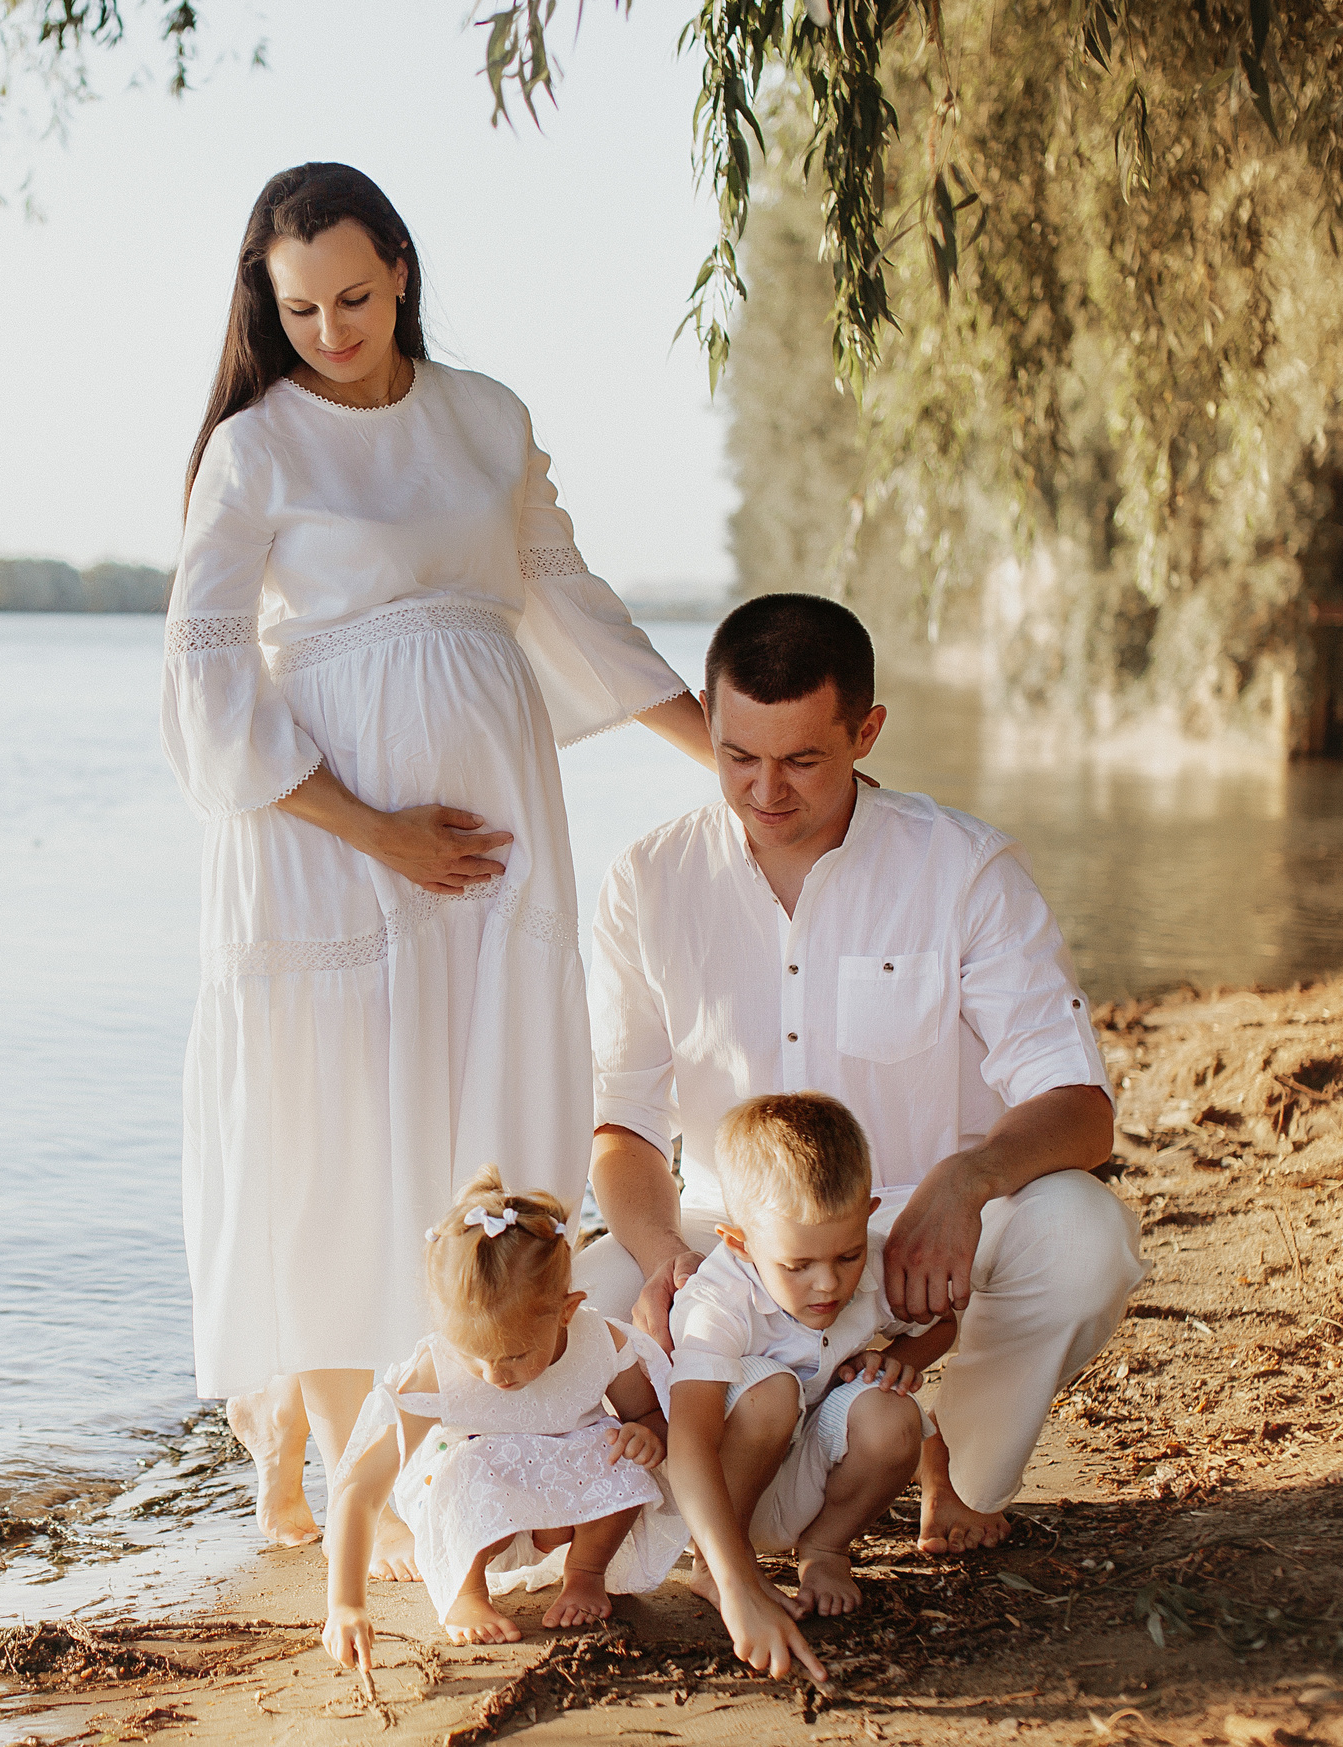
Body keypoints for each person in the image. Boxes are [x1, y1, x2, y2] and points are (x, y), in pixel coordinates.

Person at [161, 160, 713, 1567]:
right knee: (345, 1137)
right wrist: (376, 827)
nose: (332, 328)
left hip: (493, 825)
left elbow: (571, 600)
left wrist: (731, 758)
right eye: (299, 310)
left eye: (354, 294)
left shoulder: (486, 417)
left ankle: (495, 1417)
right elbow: (208, 680)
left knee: (485, 1105)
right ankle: (375, 1460)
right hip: (324, 845)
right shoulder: (257, 448)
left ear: (400, 266)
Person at [573, 591, 1143, 1561]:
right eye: (737, 757)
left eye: (801, 759)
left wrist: (962, 1183)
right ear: (706, 725)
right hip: (733, 1237)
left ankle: (945, 1462)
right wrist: (664, 1249)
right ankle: (724, 1499)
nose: (766, 792)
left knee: (1084, 1240)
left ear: (865, 730)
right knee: (580, 1298)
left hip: (919, 1234)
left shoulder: (962, 868)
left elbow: (1080, 1108)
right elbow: (621, 1123)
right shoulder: (648, 880)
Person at [319, 1167, 686, 1661]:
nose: (495, 1374)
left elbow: (647, 1414)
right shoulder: (438, 1369)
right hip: (481, 1517)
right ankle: (467, 1595)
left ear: (566, 1309)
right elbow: (360, 1489)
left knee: (617, 1446)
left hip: (569, 1509)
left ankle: (585, 1574)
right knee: (463, 1461)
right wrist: (344, 1604)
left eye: (514, 1355)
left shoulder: (601, 1342)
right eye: (475, 1355)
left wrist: (648, 1434)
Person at [665, 1093, 956, 1684]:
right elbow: (688, 1444)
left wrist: (899, 1358)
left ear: (869, 1216)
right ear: (739, 1243)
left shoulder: (872, 1266)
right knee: (770, 1390)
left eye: (845, 1255)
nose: (828, 1283)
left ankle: (825, 1550)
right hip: (717, 1503)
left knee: (891, 1413)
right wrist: (736, 1582)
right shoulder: (717, 1301)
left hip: (806, 1485)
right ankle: (716, 1570)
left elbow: (943, 1321)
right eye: (797, 1265)